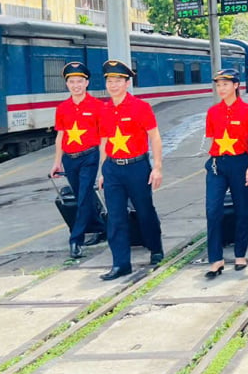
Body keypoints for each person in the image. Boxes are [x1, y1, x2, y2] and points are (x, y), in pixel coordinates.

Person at [98, 60, 165, 280]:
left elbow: (154, 137)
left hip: (137, 167)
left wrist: (157, 167)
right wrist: (102, 171)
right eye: (110, 80)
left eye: (118, 80)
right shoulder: (104, 109)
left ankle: (155, 248)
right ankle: (120, 263)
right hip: (113, 169)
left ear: (127, 83)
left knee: (144, 211)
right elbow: (105, 140)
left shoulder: (140, 107)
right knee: (115, 217)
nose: (113, 85)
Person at [202, 68, 248, 278]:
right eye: (218, 85)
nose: (221, 88)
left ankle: (240, 254)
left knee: (242, 209)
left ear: (236, 86)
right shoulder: (213, 112)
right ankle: (216, 258)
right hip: (218, 165)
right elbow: (212, 139)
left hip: (240, 162)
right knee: (212, 210)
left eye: (225, 84)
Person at [49, 61, 106, 259]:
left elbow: (105, 136)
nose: (76, 85)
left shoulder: (98, 106)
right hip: (69, 159)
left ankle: (76, 239)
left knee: (82, 198)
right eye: (72, 81)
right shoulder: (62, 108)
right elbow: (60, 136)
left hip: (90, 156)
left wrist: (105, 164)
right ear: (67, 84)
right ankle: (101, 227)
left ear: (87, 82)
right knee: (85, 196)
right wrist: (57, 162)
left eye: (79, 81)